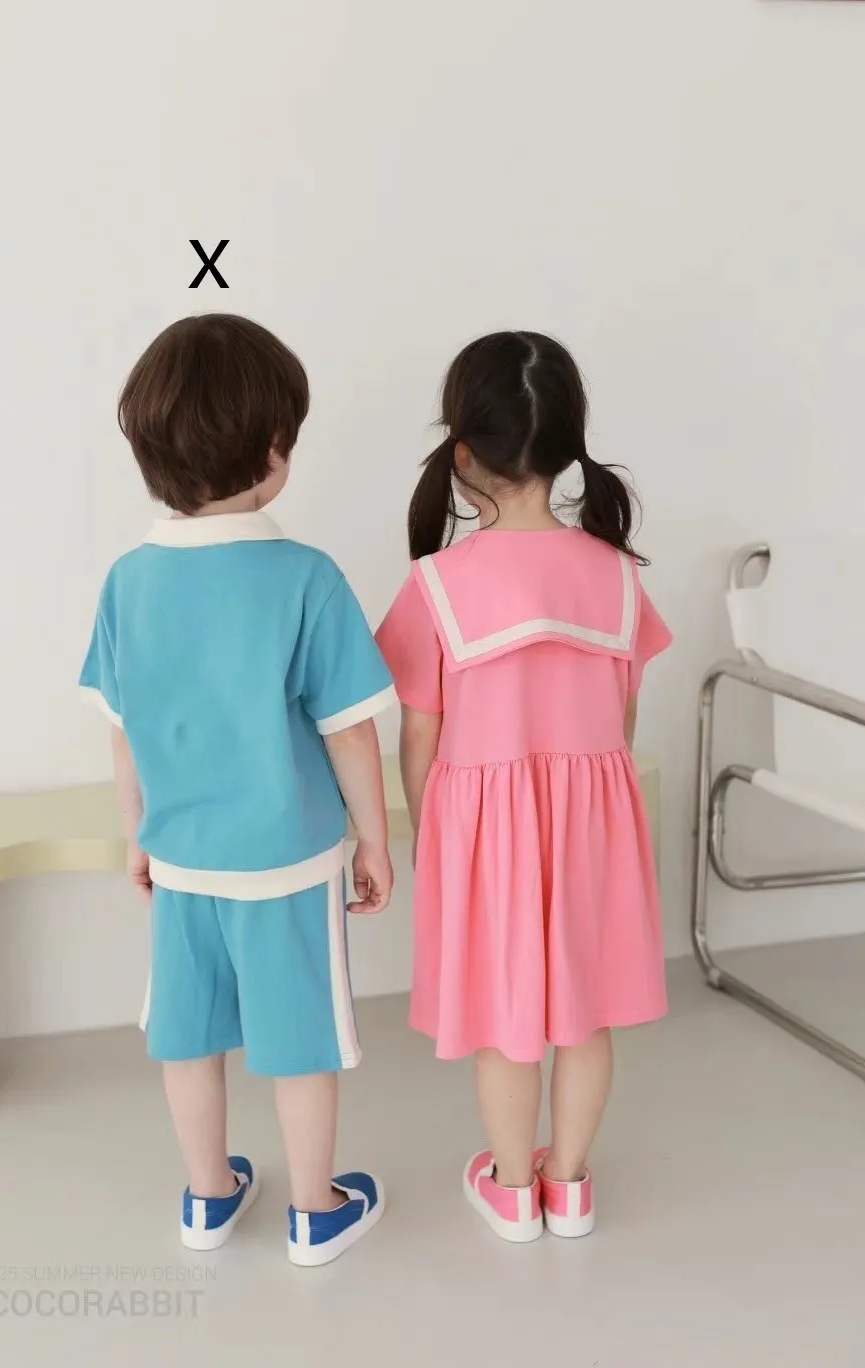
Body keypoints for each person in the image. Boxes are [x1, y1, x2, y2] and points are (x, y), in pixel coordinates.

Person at [80, 314, 394, 1266]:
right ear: (273, 448)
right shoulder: (305, 577)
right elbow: (350, 730)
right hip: (287, 860)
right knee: (301, 1043)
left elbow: (124, 730)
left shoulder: (128, 581)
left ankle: (208, 1198)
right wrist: (375, 840)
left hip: (180, 860)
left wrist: (138, 835)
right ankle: (315, 1210)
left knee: (188, 1039)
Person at [376, 331, 671, 1243]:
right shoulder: (617, 574)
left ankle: (511, 1191)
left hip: (485, 832)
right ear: (568, 446)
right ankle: (569, 1186)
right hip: (595, 823)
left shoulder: (437, 584)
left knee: (507, 1018)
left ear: (463, 452)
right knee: (585, 1012)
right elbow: (622, 715)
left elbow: (419, 733)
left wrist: (431, 828)